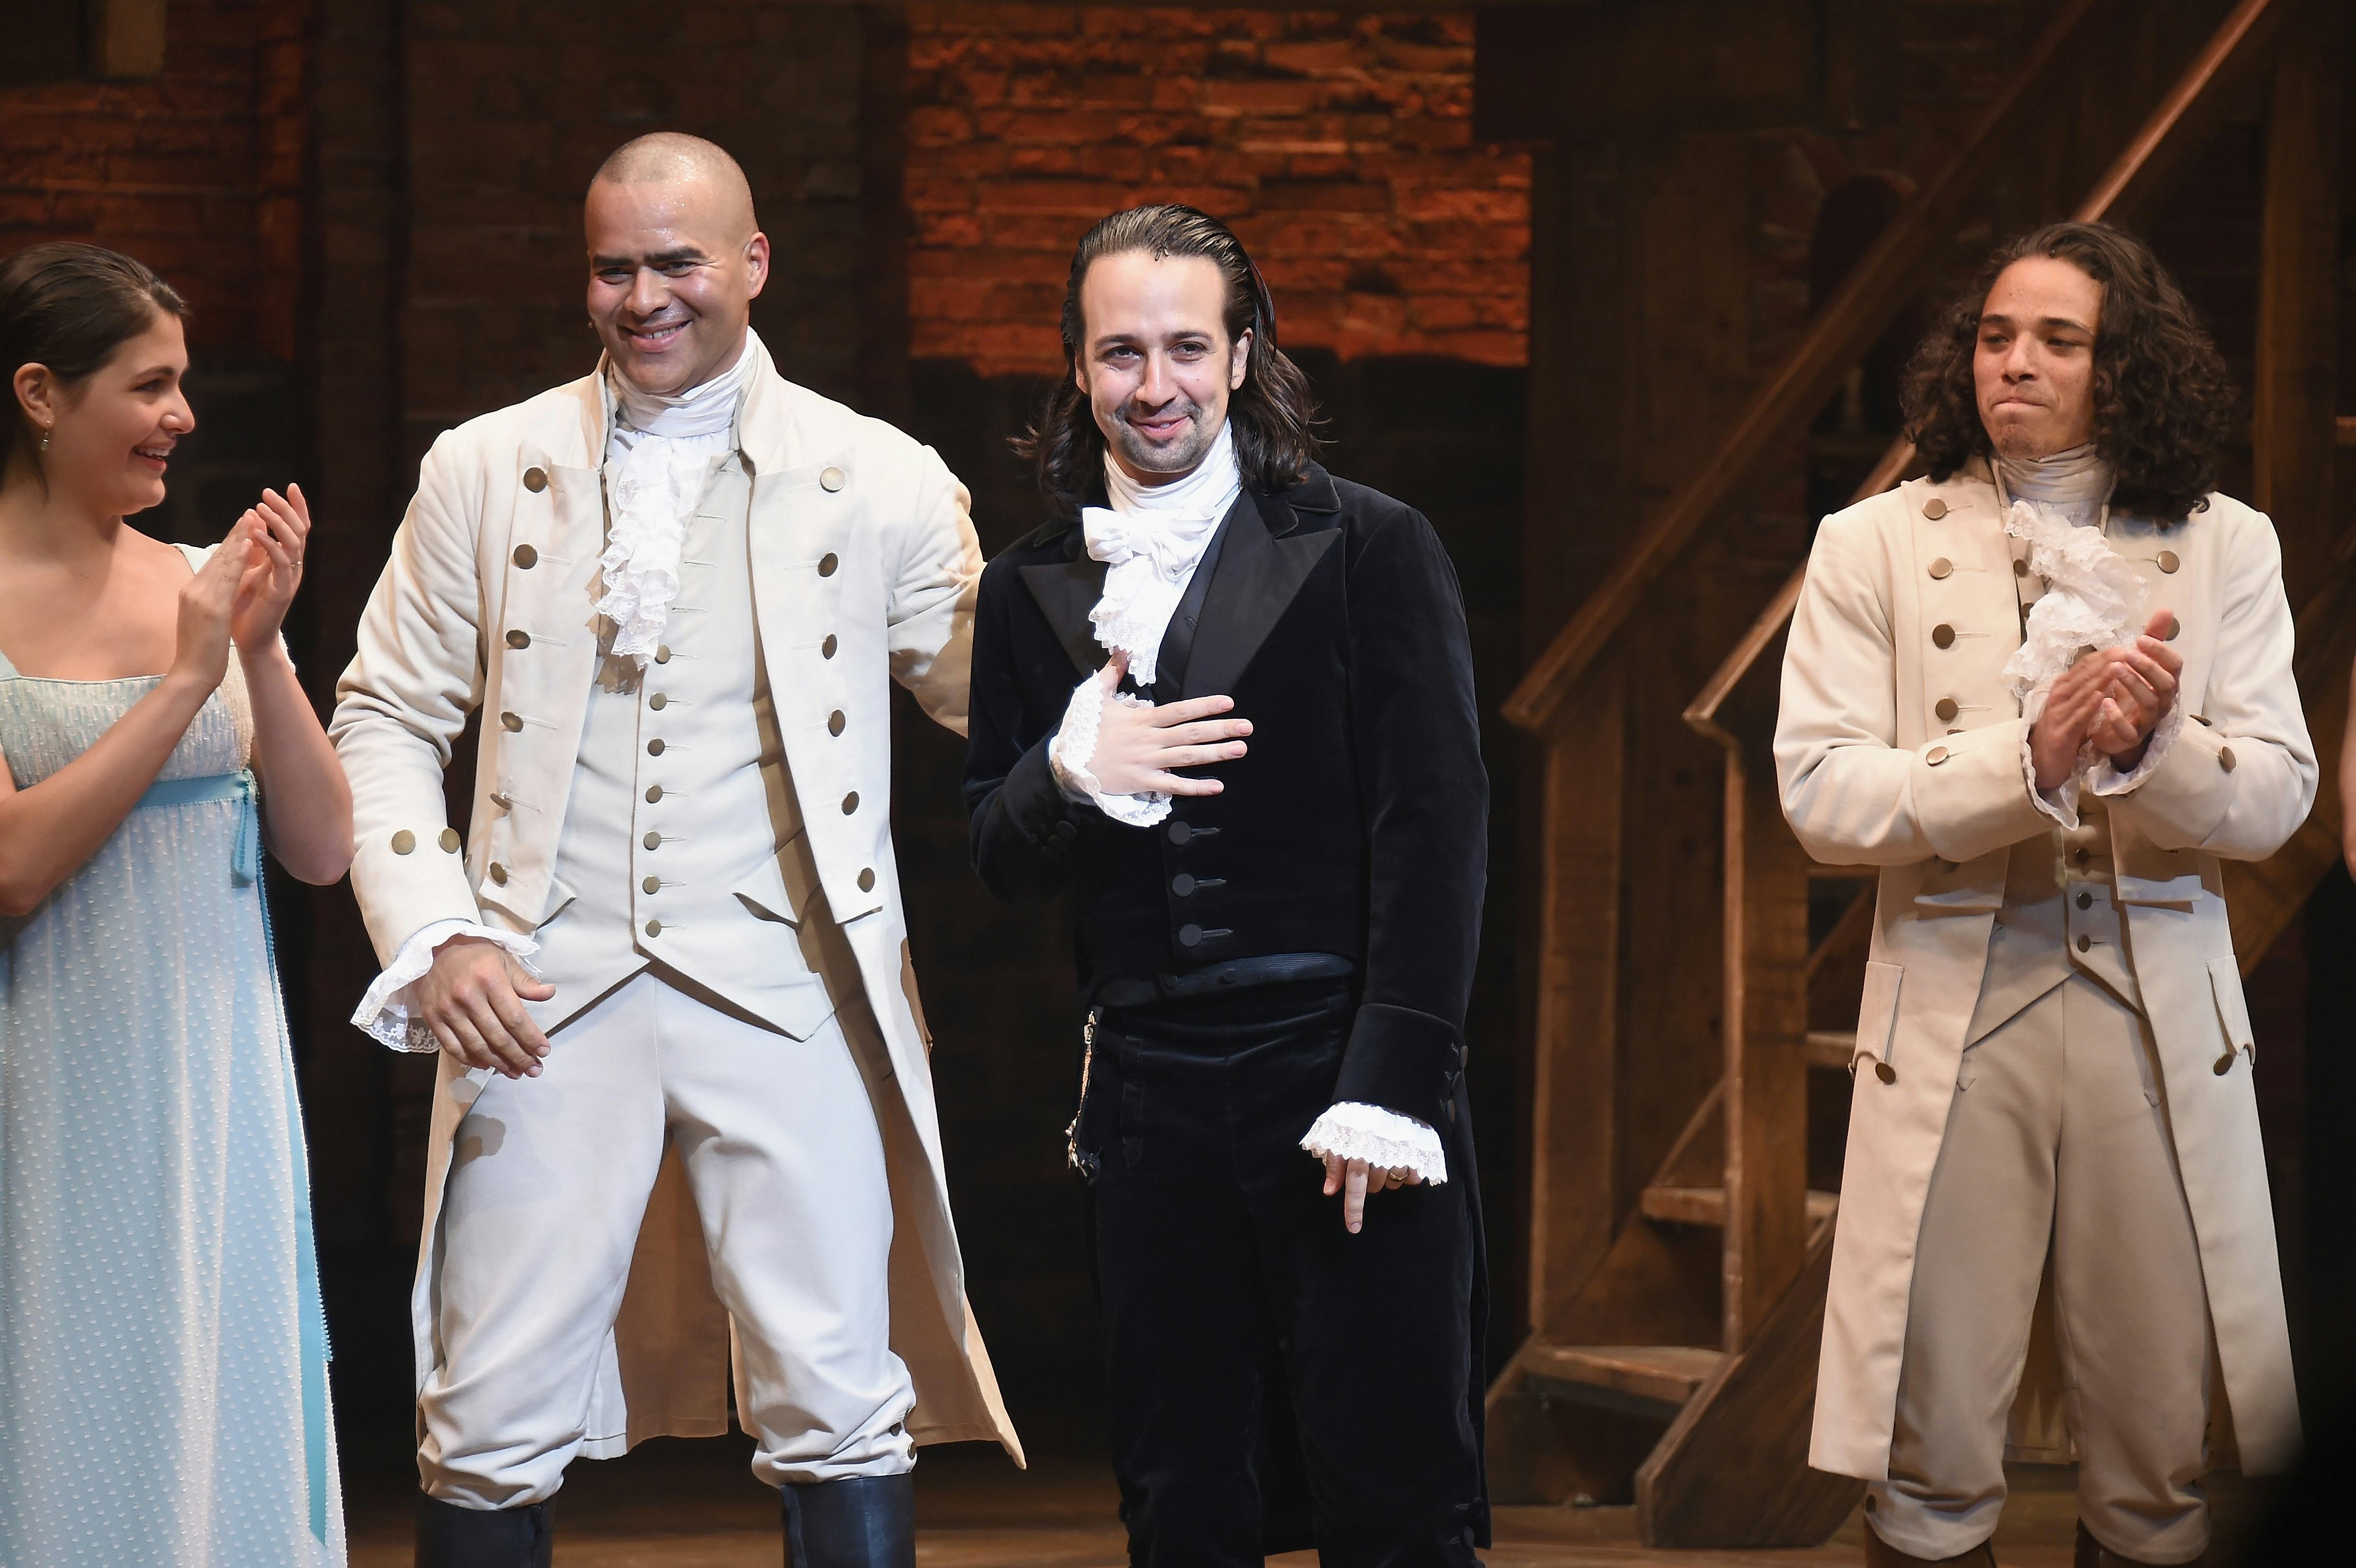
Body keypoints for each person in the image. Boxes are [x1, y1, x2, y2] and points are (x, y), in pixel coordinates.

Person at [330, 133, 1017, 1568]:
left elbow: (998, 695)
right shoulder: (486, 466)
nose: (643, 298)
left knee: (839, 1394)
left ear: (752, 263)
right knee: (485, 1407)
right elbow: (386, 712)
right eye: (612, 268)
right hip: (541, 985)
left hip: (787, 982)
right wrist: (436, 930)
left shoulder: (874, 474)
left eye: (676, 263)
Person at [1778, 221, 2312, 1567]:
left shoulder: (2225, 544)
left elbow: (2275, 795)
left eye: (2055, 339)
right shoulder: (1869, 543)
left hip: (2149, 1012)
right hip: (1959, 1005)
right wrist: (2023, 763)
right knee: (1930, 1437)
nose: (2011, 362)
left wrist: (2155, 750)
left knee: (2153, 1449)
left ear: (2119, 365)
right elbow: (1820, 793)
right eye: (1993, 335)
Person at [963, 204, 1490, 1566]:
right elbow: (993, 856)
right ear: (1077, 365)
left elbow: (1434, 830)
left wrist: (1393, 1078)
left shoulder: (1368, 543)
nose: (1156, 386)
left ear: (1242, 355)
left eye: (1186, 348)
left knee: (1391, 1490)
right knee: (1183, 1495)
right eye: (1120, 352)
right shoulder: (1028, 586)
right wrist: (1063, 774)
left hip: (1334, 1068)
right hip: (1147, 1094)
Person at [0, 242, 355, 1565]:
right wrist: (185, 678)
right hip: (52, 1069)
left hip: (215, 1071)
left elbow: (321, 848)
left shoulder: (205, 583)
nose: (184, 416)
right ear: (43, 393)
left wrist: (255, 649)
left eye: (184, 382)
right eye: (149, 385)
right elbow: (14, 866)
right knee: (70, 1392)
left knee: (216, 1389)